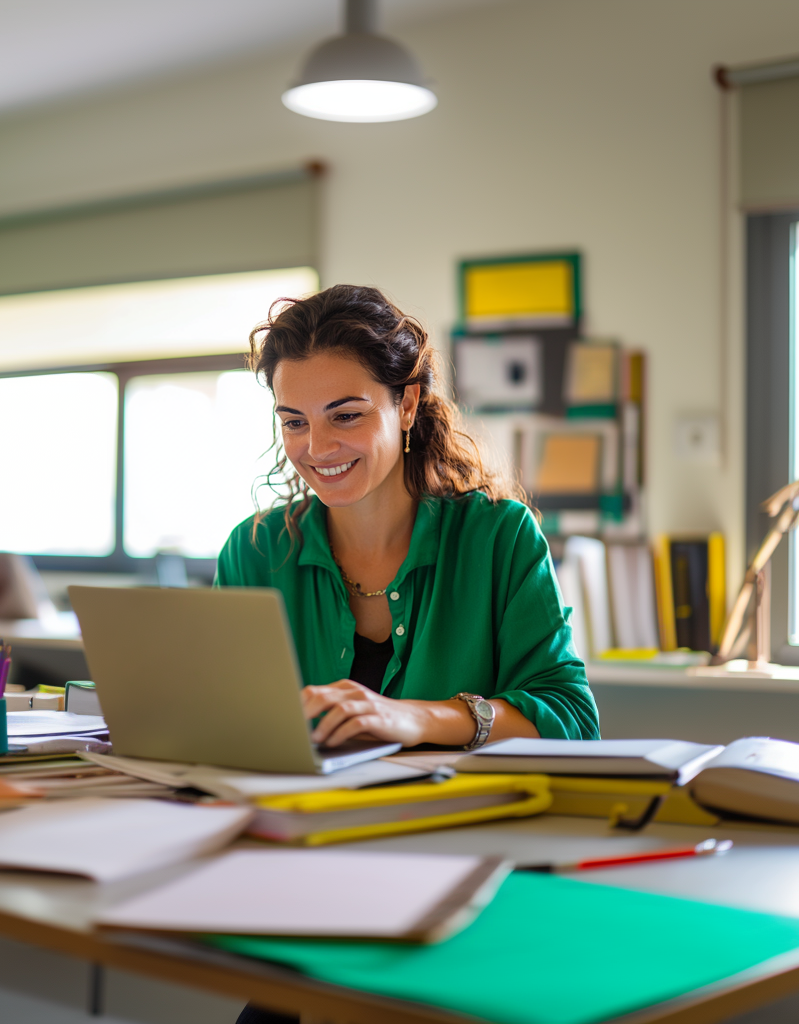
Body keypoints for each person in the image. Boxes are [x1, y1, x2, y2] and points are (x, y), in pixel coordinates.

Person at [218, 284, 598, 1024]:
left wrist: (413, 719)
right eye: (293, 422)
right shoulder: (256, 549)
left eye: (346, 416)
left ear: (410, 404)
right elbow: (230, 725)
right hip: (310, 880)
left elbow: (571, 717)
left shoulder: (499, 537)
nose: (316, 449)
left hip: (464, 883)